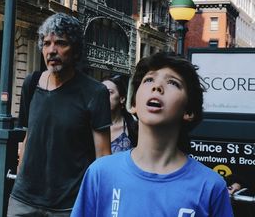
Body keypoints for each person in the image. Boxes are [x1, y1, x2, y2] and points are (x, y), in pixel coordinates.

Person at [72, 52, 233, 216]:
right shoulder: (100, 173)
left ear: (189, 111)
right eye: (149, 80)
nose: (157, 87)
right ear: (133, 104)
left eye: (173, 83)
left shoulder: (211, 187)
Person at [7, 12, 112, 216]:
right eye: (46, 43)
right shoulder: (31, 84)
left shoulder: (94, 92)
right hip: (24, 200)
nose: (52, 51)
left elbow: (103, 157)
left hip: (68, 204)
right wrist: (19, 178)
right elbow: (28, 138)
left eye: (61, 43)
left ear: (75, 50)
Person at [102, 75, 137, 153]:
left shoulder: (133, 128)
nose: (104, 95)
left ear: (122, 99)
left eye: (110, 92)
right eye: (101, 92)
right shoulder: (89, 124)